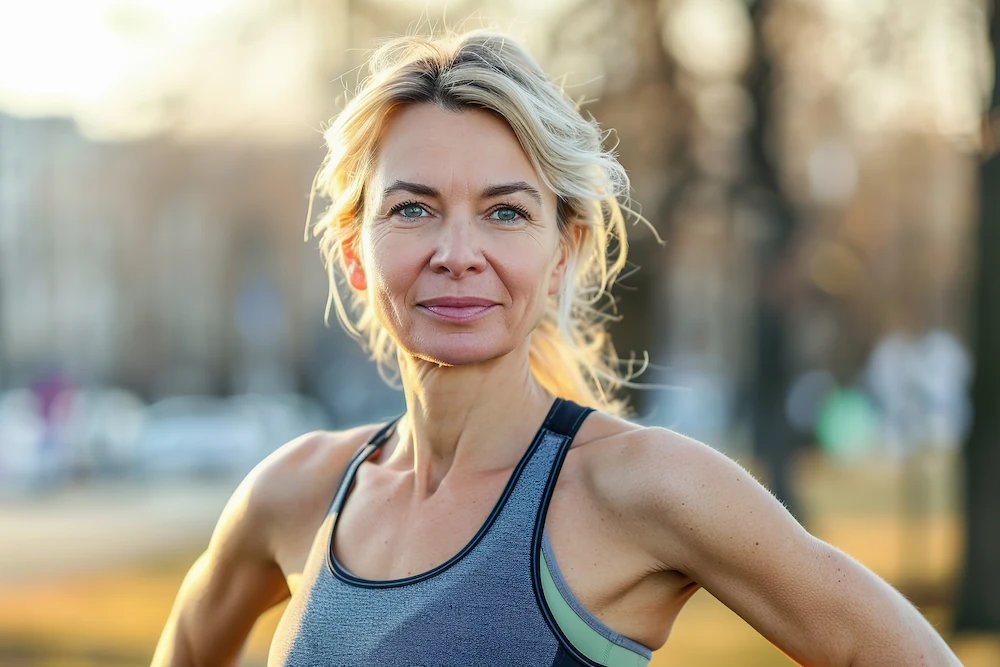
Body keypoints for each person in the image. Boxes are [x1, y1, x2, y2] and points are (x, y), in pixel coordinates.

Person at [151, 29, 961, 667]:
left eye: (505, 212)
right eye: (412, 209)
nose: (457, 251)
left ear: (561, 253)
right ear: (357, 253)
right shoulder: (294, 491)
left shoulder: (638, 484)